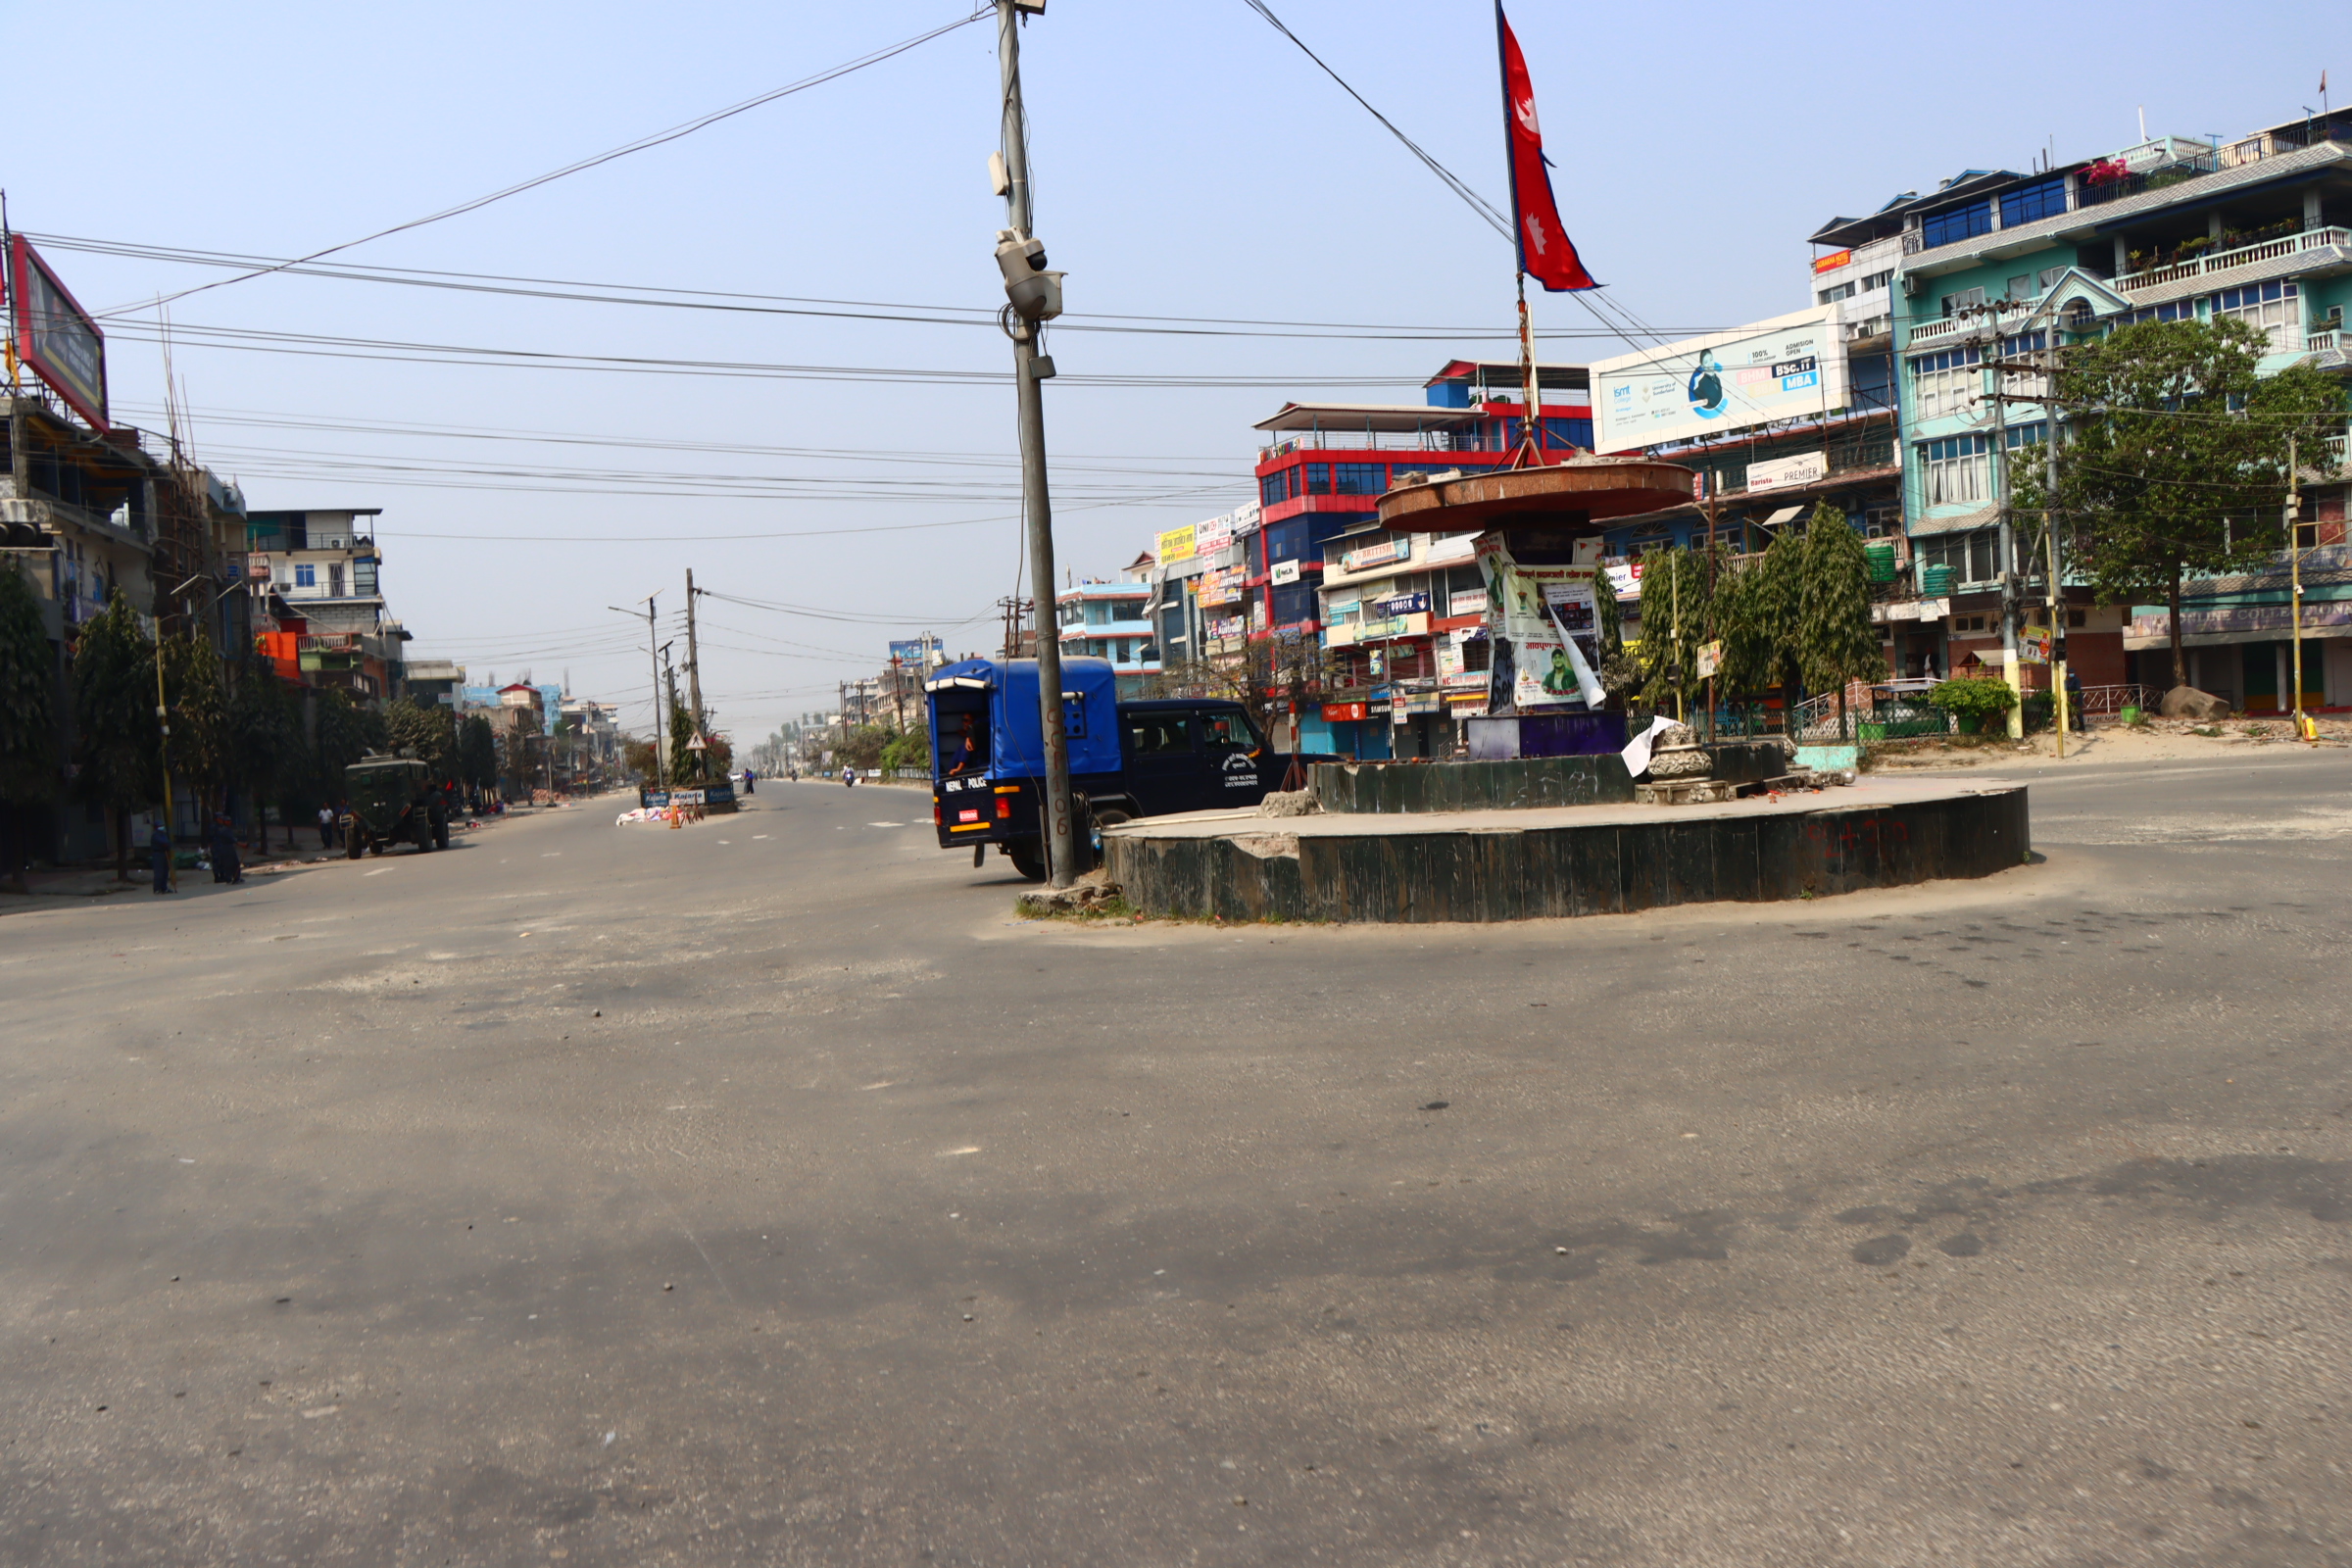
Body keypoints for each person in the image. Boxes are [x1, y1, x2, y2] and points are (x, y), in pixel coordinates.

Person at [210, 814, 244, 885]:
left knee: (229, 863)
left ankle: (230, 877)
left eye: (229, 821)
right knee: (229, 863)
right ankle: (229, 878)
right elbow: (231, 839)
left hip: (226, 847)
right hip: (224, 847)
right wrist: (241, 844)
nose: (229, 822)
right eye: (227, 821)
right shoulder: (222, 829)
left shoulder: (225, 829)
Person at [150, 816, 173, 895]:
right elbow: (163, 842)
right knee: (159, 872)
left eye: (162, 826)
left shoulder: (163, 834)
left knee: (165, 871)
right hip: (158, 854)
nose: (161, 827)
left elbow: (168, 842)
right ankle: (157, 888)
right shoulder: (155, 835)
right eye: (160, 826)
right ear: (156, 827)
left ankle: (164, 887)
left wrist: (168, 844)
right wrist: (167, 844)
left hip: (164, 853)